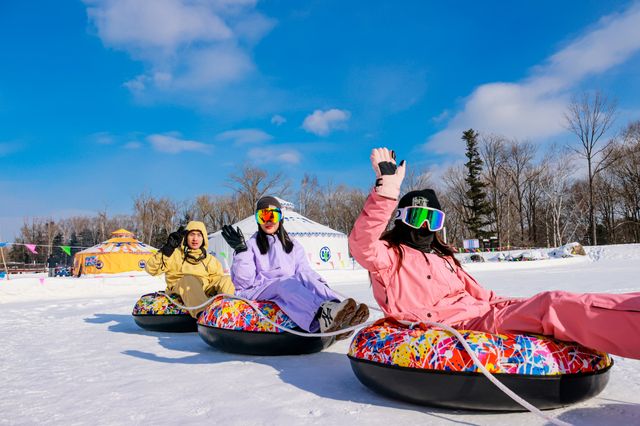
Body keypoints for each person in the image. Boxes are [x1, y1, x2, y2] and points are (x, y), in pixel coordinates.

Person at [348, 147, 640, 359]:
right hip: (457, 326)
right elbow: (361, 243)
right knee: (554, 305)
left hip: (483, 313)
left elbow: (485, 298)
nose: (425, 227)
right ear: (400, 218)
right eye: (417, 217)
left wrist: (522, 306)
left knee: (552, 302)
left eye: (433, 219)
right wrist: (386, 189)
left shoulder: (445, 260)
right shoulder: (389, 256)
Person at [222, 196, 369, 336]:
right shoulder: (251, 245)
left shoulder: (292, 245)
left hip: (287, 285)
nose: (269, 221)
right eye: (263, 216)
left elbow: (304, 271)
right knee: (285, 283)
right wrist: (241, 251)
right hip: (257, 289)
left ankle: (340, 310)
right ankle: (321, 315)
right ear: (258, 220)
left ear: (281, 218)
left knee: (305, 278)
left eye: (273, 216)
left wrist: (321, 285)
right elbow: (244, 283)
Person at [146, 221, 234, 318]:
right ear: (186, 237)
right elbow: (151, 269)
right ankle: (204, 316)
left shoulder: (210, 259)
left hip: (204, 290)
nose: (195, 239)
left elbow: (217, 280)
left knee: (227, 279)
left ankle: (229, 312)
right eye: (192, 234)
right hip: (181, 287)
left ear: (203, 238)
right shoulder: (174, 254)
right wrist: (168, 248)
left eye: (199, 235)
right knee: (189, 279)